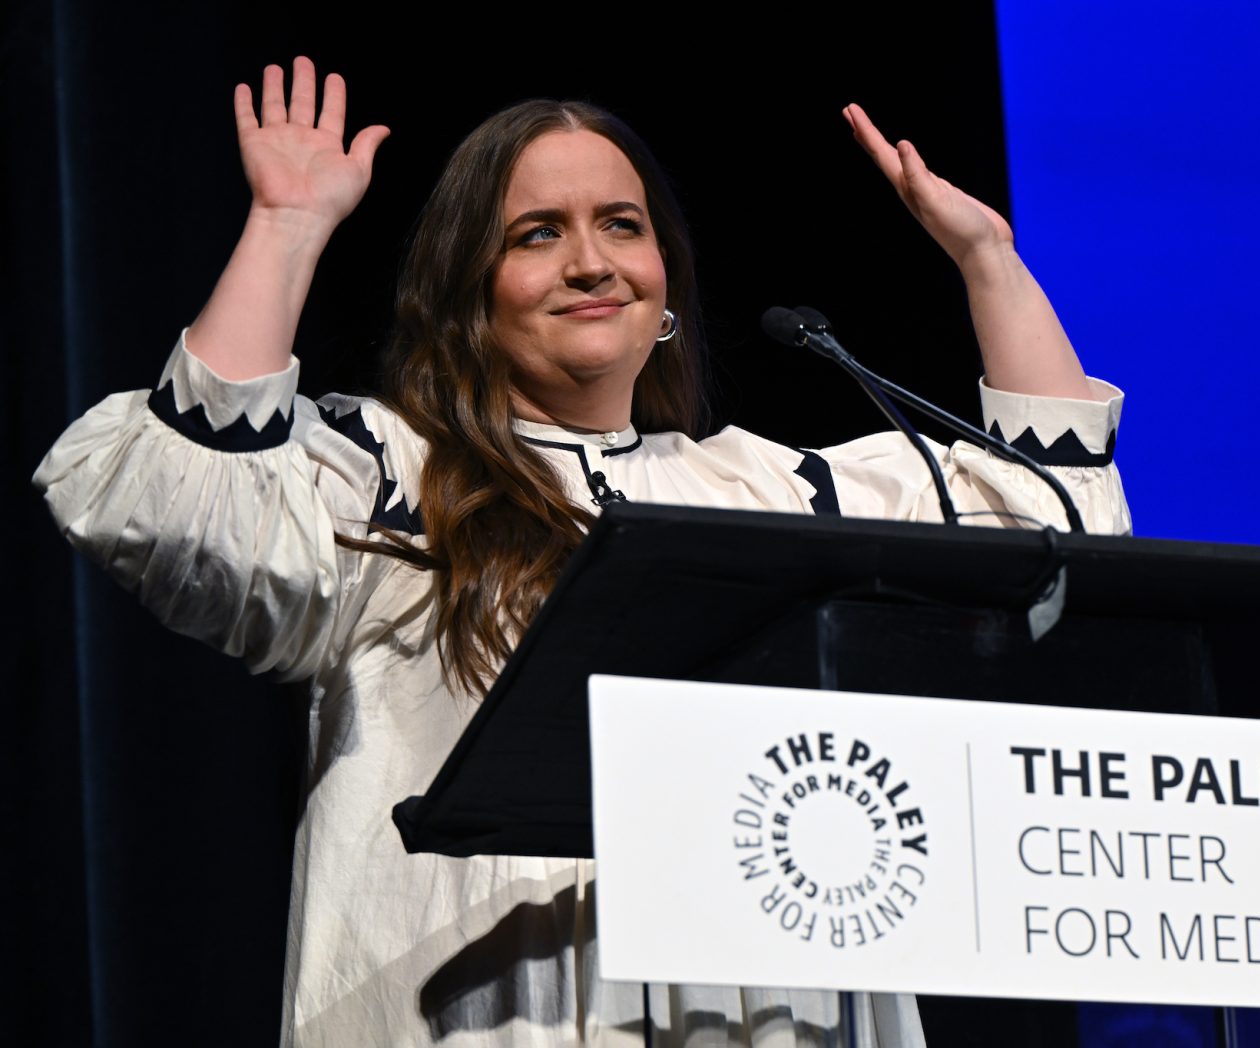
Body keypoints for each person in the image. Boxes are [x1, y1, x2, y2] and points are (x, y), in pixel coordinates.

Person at [34, 57, 1129, 1047]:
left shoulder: (771, 489)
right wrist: (286, 225)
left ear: (666, 289)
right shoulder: (389, 473)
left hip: (754, 998)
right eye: (537, 233)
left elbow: (1055, 521)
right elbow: (180, 501)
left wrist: (988, 258)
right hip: (485, 1003)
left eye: (621, 224)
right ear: (472, 295)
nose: (592, 262)